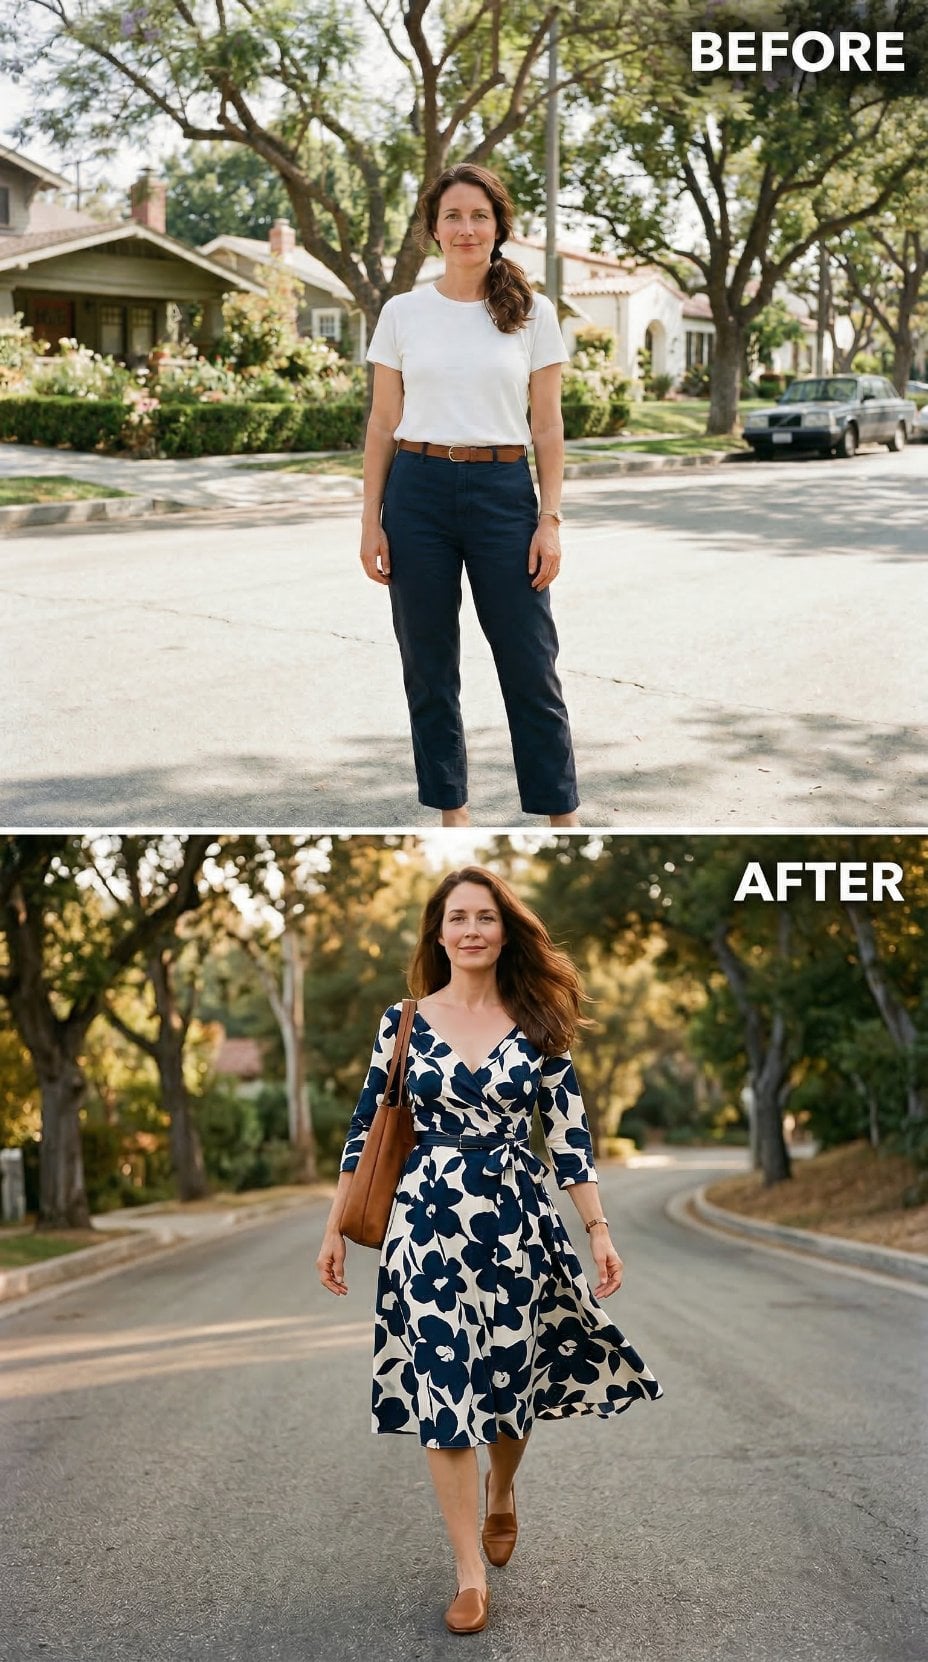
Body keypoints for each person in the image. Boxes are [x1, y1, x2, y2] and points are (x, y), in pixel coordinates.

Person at [316, 866, 663, 1636]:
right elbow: (364, 1129)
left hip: (516, 1222)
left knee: (512, 1389)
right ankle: (469, 1575)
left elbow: (568, 1138)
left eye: (485, 917)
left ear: (505, 930)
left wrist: (598, 1230)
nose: (471, 929)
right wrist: (335, 1227)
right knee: (446, 1395)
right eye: (457, 917)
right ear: (437, 933)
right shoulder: (402, 1020)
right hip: (426, 1225)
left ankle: (502, 1489)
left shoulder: (538, 1021)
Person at [359, 162, 581, 829]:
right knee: (429, 666)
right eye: (452, 216)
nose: (466, 228)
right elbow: (381, 423)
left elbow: (547, 424)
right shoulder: (402, 312)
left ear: (498, 227)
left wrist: (551, 520)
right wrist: (371, 520)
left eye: (479, 215)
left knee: (530, 662)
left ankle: (559, 816)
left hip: (503, 490)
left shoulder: (532, 313)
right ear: (433, 229)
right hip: (418, 491)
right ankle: (453, 816)